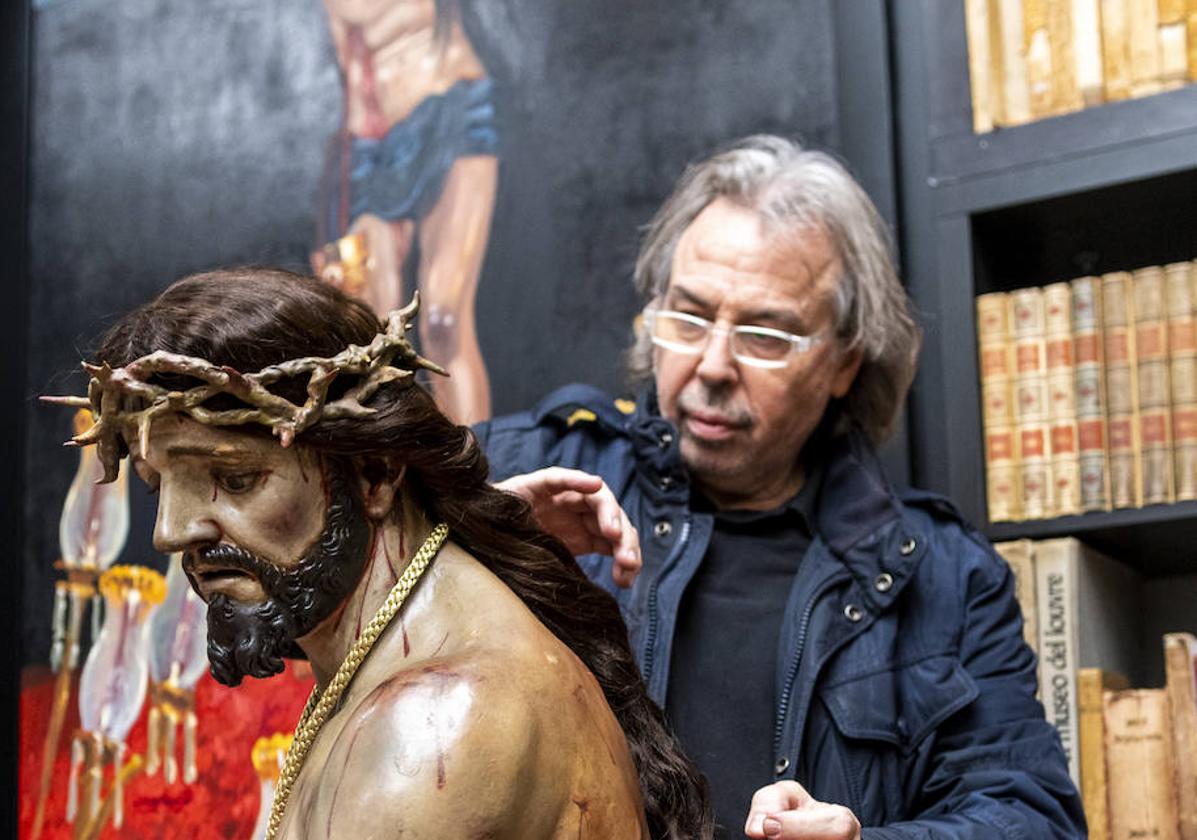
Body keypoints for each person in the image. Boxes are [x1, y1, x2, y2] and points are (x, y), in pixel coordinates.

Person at [476, 136, 1087, 838]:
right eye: (689, 315)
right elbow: (326, 618)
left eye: (765, 334)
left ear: (843, 366)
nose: (711, 364)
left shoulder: (943, 577)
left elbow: (1033, 818)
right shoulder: (518, 467)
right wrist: (462, 541)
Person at [51, 269, 711, 839]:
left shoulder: (431, 729)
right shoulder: (401, 646)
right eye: (158, 483)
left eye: (235, 478)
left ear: (373, 473)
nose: (170, 531)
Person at [314, 0, 497, 424]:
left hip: (449, 110)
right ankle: (398, 481)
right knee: (367, 338)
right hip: (365, 146)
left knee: (443, 321)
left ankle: (476, 484)